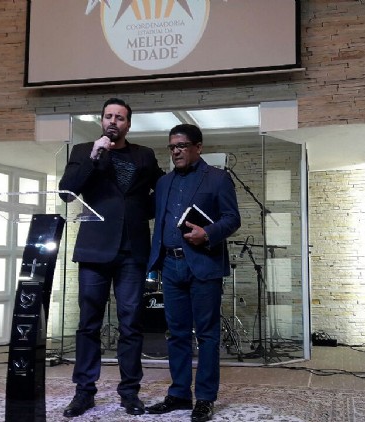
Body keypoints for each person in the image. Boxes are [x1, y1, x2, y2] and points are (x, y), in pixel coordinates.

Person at [58, 97, 164, 417]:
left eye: (119, 117)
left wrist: (140, 212)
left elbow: (161, 191)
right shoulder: (83, 152)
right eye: (108, 116)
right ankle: (84, 392)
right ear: (101, 121)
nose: (113, 121)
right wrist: (93, 157)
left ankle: (129, 392)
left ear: (128, 124)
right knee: (88, 324)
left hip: (132, 251)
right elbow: (66, 192)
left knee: (131, 324)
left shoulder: (144, 155)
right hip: (94, 250)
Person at [145, 123, 241, 422]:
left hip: (204, 264)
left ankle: (206, 398)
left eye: (182, 146)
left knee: (208, 335)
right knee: (176, 334)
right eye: (172, 147)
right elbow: (159, 221)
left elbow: (232, 219)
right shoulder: (164, 183)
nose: (176, 151)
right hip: (170, 265)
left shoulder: (218, 178)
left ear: (198, 147)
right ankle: (179, 395)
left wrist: (207, 233)